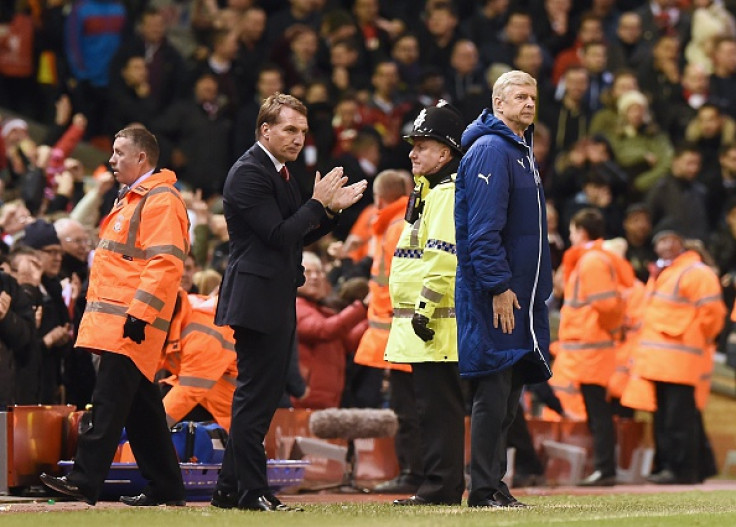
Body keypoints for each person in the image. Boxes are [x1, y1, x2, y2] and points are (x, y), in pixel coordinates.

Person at [212, 93, 367, 512]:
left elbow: (293, 235)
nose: (298, 139)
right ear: (265, 130)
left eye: (302, 131)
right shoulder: (249, 172)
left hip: (273, 295)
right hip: (256, 297)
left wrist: (329, 214)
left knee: (261, 398)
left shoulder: (278, 171)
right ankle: (251, 492)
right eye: (289, 129)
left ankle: (229, 489)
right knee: (255, 398)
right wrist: (317, 203)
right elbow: (278, 236)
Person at [39, 127, 189, 507]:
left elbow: (166, 262)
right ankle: (166, 486)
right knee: (142, 411)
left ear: (142, 158)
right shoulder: (134, 198)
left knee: (107, 402)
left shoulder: (157, 199)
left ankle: (84, 480)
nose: (111, 159)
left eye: (120, 152)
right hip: (122, 321)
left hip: (130, 322)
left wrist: (139, 314)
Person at [454, 70, 553, 508]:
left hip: (521, 297)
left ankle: (495, 484)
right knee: (493, 396)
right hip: (499, 295)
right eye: (519, 96)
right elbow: (482, 232)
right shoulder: (492, 149)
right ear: (497, 101)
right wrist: (496, 286)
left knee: (508, 400)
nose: (529, 104)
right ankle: (482, 489)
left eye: (533, 96)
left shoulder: (520, 150)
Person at [384, 100, 467, 507]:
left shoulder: (445, 194)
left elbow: (442, 259)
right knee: (432, 410)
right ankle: (440, 487)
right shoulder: (429, 190)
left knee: (439, 412)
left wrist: (425, 310)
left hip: (435, 325)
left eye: (423, 145)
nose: (413, 152)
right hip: (429, 324)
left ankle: (441, 489)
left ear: (445, 153)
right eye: (412, 144)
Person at [628, 227, 726, 484]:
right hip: (660, 360)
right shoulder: (664, 272)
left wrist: (696, 338)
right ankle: (684, 467)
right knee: (669, 419)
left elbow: (713, 315)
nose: (664, 245)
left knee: (677, 420)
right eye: (660, 240)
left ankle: (680, 471)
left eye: (670, 240)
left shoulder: (695, 272)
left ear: (681, 242)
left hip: (680, 360)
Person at [554, 208, 634, 486]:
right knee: (596, 410)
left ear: (582, 232)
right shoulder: (591, 260)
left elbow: (607, 304)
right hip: (589, 348)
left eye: (573, 230)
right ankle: (604, 468)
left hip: (593, 348)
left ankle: (605, 469)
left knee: (598, 411)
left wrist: (612, 331)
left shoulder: (591, 261)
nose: (570, 236)